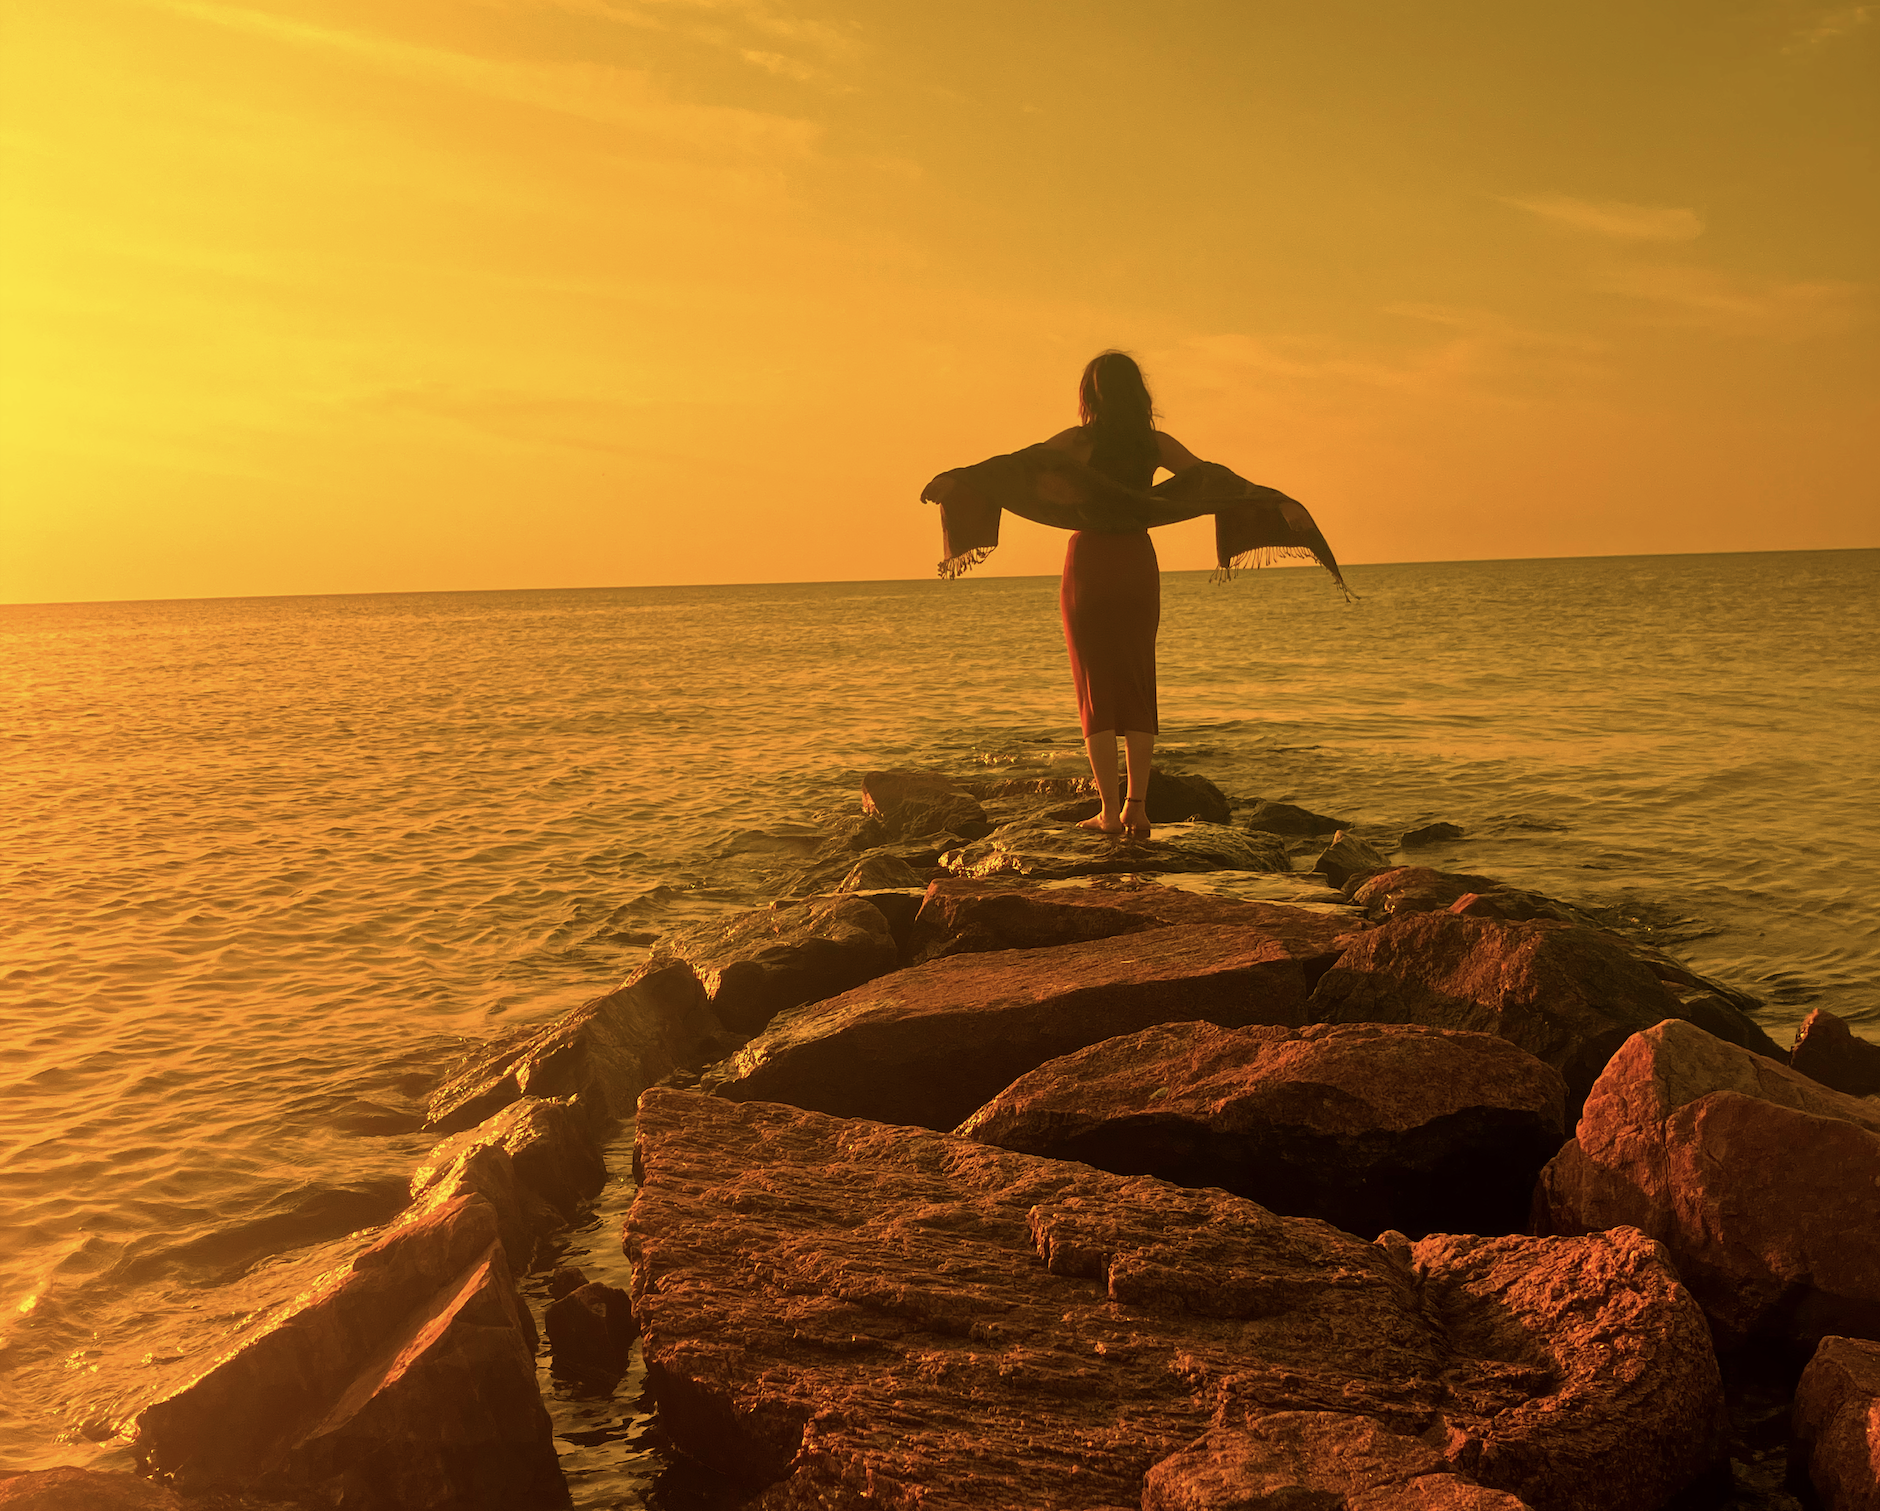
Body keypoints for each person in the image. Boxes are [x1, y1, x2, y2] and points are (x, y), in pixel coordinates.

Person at [1039, 351, 1203, 842]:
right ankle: (1139, 807)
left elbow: (1020, 470)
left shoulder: (1077, 442)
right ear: (1139, 393)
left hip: (1088, 562)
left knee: (1095, 686)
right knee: (1137, 679)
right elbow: (1207, 480)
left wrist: (957, 482)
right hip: (1135, 561)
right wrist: (1150, 506)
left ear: (1089, 397)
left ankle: (1109, 811)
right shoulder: (1154, 443)